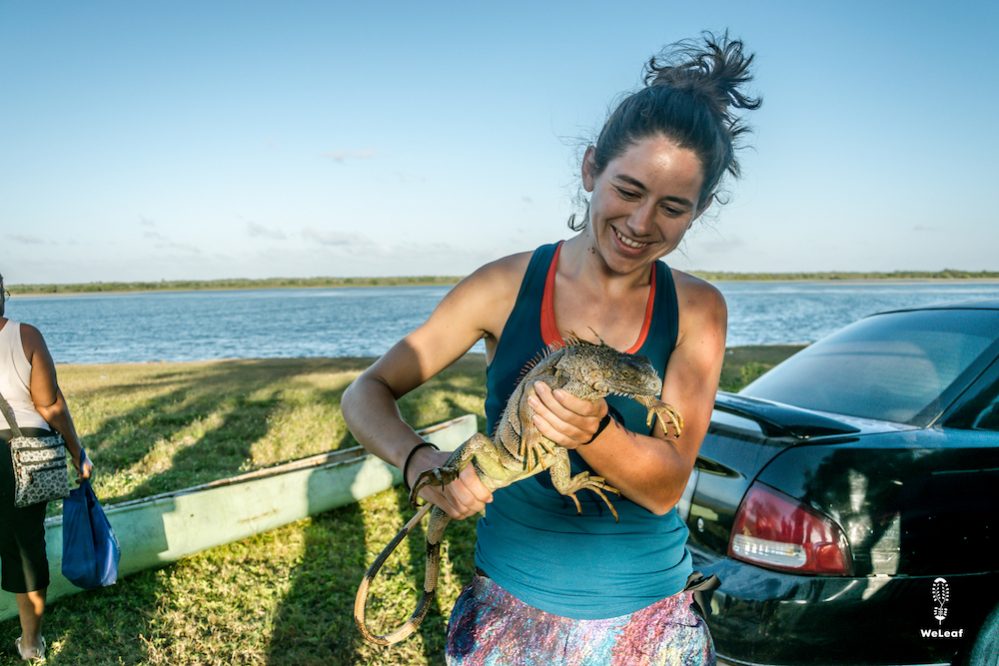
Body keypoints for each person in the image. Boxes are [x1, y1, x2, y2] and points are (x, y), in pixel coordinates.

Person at [342, 32, 760, 664]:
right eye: (627, 190)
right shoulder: (504, 286)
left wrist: (592, 431)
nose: (642, 223)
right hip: (510, 612)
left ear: (697, 213)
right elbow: (364, 393)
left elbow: (664, 485)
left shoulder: (699, 309)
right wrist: (421, 464)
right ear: (591, 168)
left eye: (673, 207)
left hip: (648, 617)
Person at [0, 273, 93, 661]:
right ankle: (31, 643)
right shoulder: (26, 336)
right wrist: (77, 451)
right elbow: (50, 405)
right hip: (21, 457)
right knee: (26, 549)